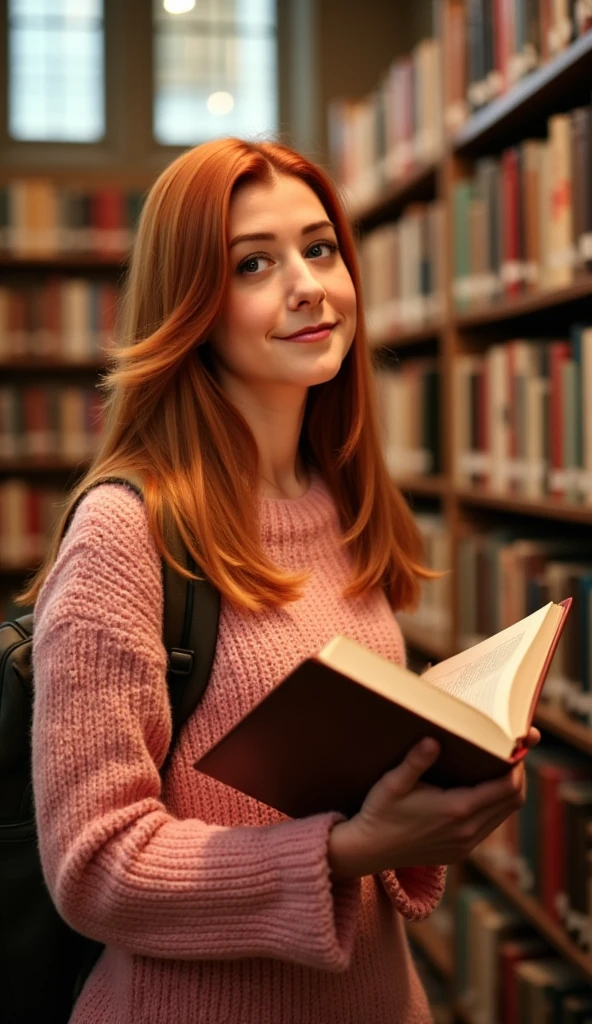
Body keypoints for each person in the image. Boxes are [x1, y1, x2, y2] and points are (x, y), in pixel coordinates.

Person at [25, 137, 533, 1024]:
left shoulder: (341, 502)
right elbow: (94, 868)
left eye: (320, 247)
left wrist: (445, 790)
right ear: (191, 306)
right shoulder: (123, 534)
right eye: (254, 263)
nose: (307, 284)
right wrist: (338, 854)